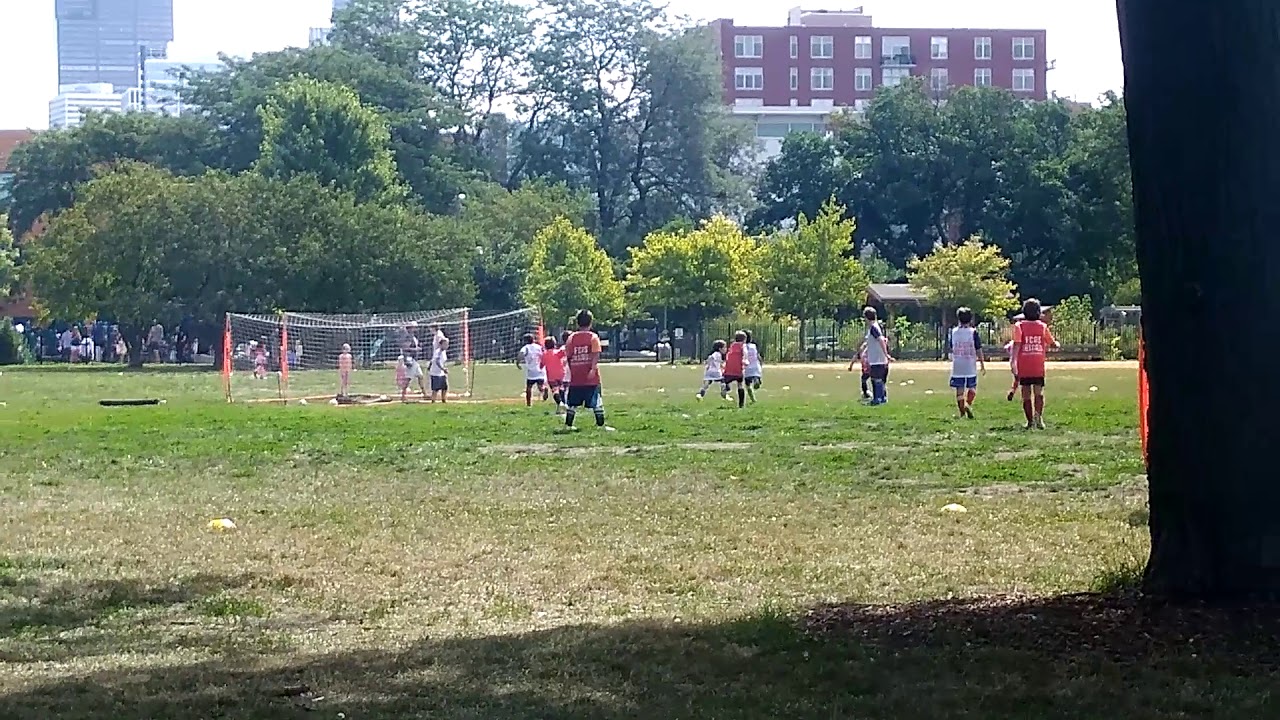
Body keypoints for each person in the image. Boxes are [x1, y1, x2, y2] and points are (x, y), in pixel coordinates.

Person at [1011, 298, 1060, 429]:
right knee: (1039, 392)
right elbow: (1052, 343)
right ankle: (1038, 417)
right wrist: (1057, 345)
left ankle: (1029, 421)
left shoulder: (1019, 326)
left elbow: (1016, 345)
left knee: (1026, 393)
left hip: (1024, 365)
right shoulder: (1042, 327)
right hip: (1038, 365)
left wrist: (1013, 363)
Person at [563, 309, 612, 431]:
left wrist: (571, 370)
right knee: (596, 400)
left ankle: (568, 425)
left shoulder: (571, 338)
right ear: (591, 323)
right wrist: (593, 369)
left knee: (572, 402)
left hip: (576, 376)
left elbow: (568, 356)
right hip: (591, 377)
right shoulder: (593, 337)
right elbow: (595, 355)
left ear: (577, 323)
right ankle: (600, 425)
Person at [949, 307, 986, 419]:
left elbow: (951, 346)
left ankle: (962, 412)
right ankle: (968, 404)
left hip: (958, 365)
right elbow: (978, 349)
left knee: (959, 390)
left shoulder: (954, 332)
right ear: (970, 319)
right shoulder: (973, 332)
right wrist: (982, 364)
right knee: (972, 388)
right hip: (970, 365)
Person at [858, 307, 894, 405]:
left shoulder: (874, 328)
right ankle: (882, 398)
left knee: (876, 379)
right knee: (879, 380)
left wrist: (886, 355)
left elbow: (881, 340)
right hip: (876, 358)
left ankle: (877, 399)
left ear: (866, 318)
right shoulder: (875, 327)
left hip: (877, 359)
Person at [517, 333, 549, 406]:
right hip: (540, 370)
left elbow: (521, 354)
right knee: (540, 386)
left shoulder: (526, 347)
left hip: (531, 371)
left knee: (529, 388)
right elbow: (544, 354)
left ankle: (529, 404)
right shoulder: (539, 347)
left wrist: (518, 362)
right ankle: (544, 389)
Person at [722, 331, 749, 408]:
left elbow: (728, 355)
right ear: (744, 339)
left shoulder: (732, 346)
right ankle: (741, 404)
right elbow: (745, 354)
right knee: (740, 385)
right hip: (738, 369)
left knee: (725, 381)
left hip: (729, 369)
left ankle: (726, 387)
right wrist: (745, 361)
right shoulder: (743, 346)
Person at [542, 336, 568, 412]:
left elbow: (541, 365)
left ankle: (560, 403)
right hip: (561, 374)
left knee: (554, 390)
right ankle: (562, 405)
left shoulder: (545, 354)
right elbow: (565, 353)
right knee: (561, 389)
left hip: (551, 376)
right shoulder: (558, 352)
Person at [743, 330, 763, 403]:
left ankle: (753, 399)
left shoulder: (742, 347)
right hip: (755, 366)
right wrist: (760, 363)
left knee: (747, 385)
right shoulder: (753, 346)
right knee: (756, 376)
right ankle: (756, 380)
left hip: (746, 368)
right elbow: (758, 356)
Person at [429, 337, 449, 403]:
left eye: (447, 344)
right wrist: (443, 369)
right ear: (440, 345)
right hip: (435, 373)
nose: (446, 346)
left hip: (441, 373)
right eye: (445, 344)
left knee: (445, 387)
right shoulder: (438, 352)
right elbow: (437, 362)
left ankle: (444, 400)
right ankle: (433, 401)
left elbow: (442, 361)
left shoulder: (444, 352)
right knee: (435, 389)